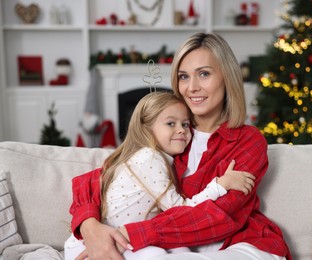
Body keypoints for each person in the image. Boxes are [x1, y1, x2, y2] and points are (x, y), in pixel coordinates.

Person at [70, 32, 291, 260]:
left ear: (227, 77)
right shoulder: (170, 135)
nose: (191, 87)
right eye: (183, 77)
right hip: (174, 248)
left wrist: (132, 232)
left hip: (238, 243)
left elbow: (220, 216)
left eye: (204, 74)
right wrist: (90, 226)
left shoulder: (248, 141)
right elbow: (100, 179)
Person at [65, 91, 255, 260]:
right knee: (157, 255)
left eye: (185, 124)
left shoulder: (153, 159)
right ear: (146, 128)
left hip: (118, 239)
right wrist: (220, 185)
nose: (181, 129)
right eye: (171, 123)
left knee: (181, 250)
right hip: (93, 245)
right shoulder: (150, 158)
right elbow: (181, 210)